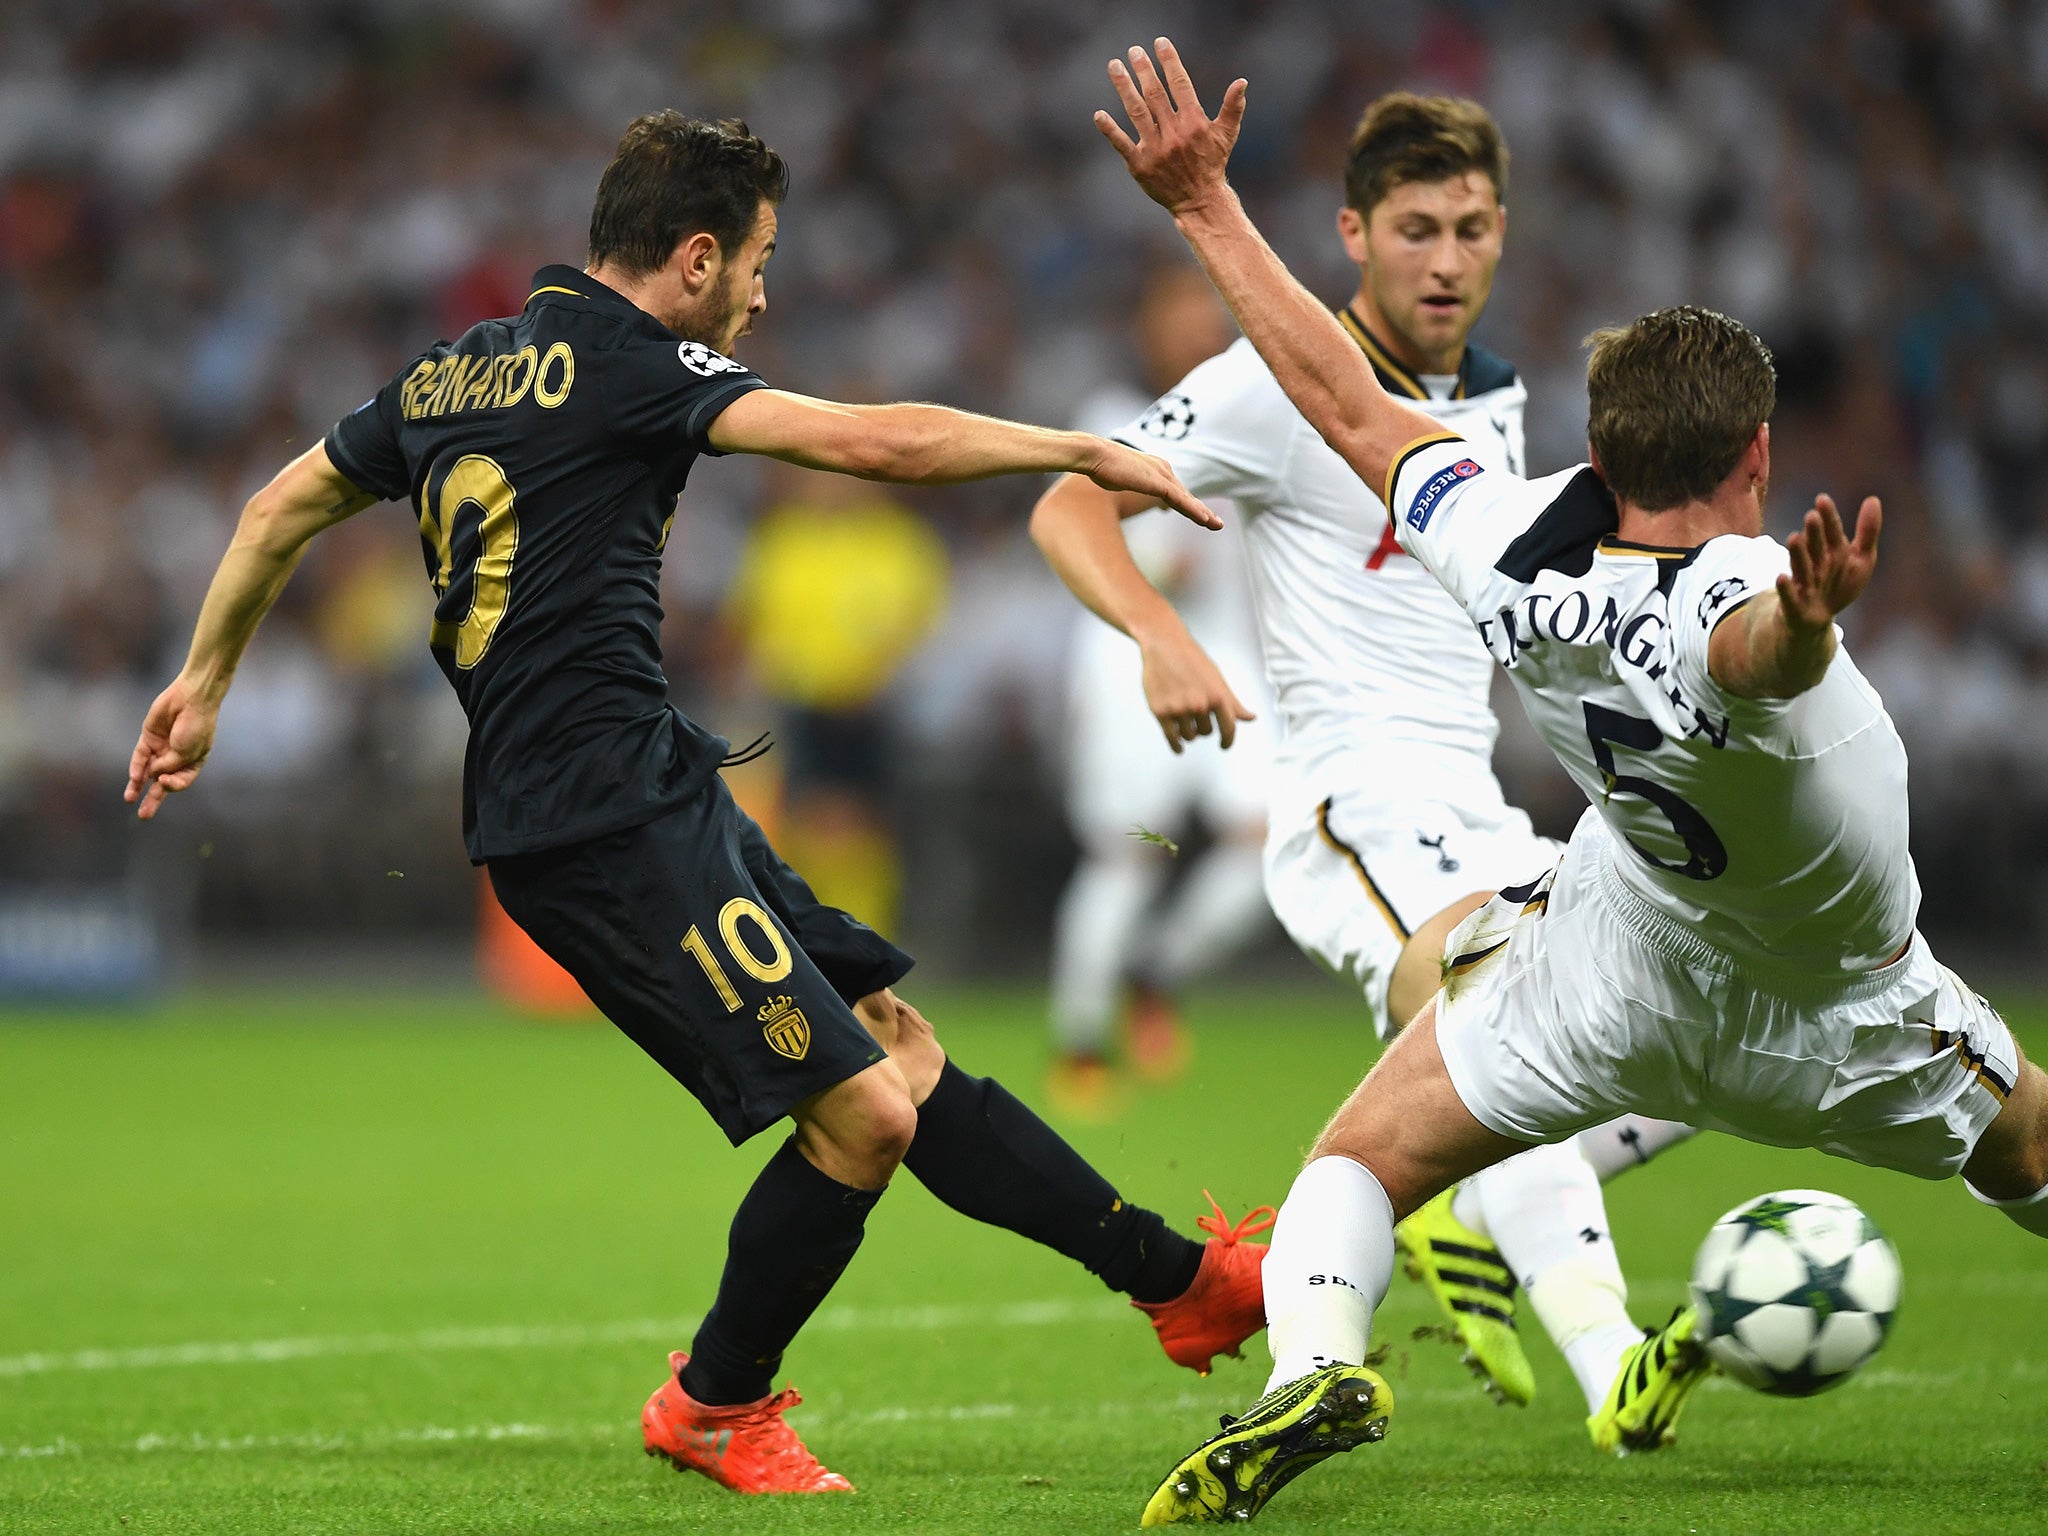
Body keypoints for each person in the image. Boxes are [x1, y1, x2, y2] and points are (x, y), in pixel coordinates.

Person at [123, 111, 1275, 1500]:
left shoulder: (449, 372)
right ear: (691, 258)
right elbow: (876, 447)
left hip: (636, 785)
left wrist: (202, 681)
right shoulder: (634, 366)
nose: (762, 295)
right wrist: (1075, 449)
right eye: (757, 264)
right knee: (865, 1117)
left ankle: (1182, 1284)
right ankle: (715, 1405)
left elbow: (273, 508)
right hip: (595, 824)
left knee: (894, 1051)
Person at [1095, 43, 2048, 1526]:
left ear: (1595, 449)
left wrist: (1206, 208)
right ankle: (1580, 1333)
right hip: (1839, 1006)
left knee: (1357, 1159)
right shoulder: (1740, 580)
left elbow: (1351, 412)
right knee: (2030, 1145)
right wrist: (1805, 621)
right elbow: (1745, 657)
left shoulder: (1504, 536)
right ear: (1759, 451)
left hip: (1615, 964)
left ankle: (1314, 1370)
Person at [1034, 90, 1696, 1421]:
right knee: (1524, 1014)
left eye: (1468, 228)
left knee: (1701, 1009)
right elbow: (1068, 504)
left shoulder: (1505, 401)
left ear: (1502, 232)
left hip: (1482, 807)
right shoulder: (1274, 382)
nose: (1444, 259)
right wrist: (1159, 633)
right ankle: (1610, 1363)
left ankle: (1449, 1193)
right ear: (1352, 234)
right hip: (1360, 813)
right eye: (1413, 229)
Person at [1047, 263, 1274, 1114]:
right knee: (1126, 855)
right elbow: (1096, 539)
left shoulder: (1243, 414)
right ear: (1144, 323)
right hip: (1125, 654)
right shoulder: (1106, 417)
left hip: (1223, 653)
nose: (1195, 328)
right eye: (1176, 311)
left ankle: (1156, 969)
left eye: (1205, 313)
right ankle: (1079, 1040)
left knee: (1271, 840)